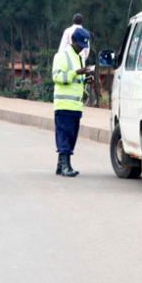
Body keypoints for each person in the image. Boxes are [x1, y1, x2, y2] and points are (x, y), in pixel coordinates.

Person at [51, 27, 93, 177]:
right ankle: (65, 166)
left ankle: (60, 165)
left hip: (76, 106)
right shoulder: (62, 56)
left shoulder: (79, 57)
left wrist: (85, 78)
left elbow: (76, 81)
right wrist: (76, 73)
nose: (82, 47)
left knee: (71, 136)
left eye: (84, 45)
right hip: (63, 105)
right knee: (64, 135)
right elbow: (57, 77)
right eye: (80, 44)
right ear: (73, 41)